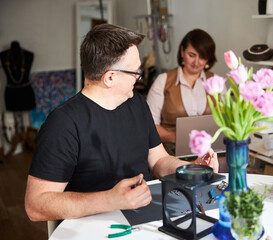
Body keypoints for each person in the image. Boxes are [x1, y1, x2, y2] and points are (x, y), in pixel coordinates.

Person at [24, 24, 218, 222]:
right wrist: (110, 200)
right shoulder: (63, 124)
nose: (139, 77)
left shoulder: (137, 103)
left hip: (143, 219)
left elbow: (159, 161)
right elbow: (36, 205)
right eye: (135, 73)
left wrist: (191, 169)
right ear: (110, 77)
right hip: (92, 228)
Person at [146, 29, 217, 151]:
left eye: (202, 57)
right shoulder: (163, 80)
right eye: (192, 55)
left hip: (210, 152)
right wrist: (177, 138)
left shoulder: (215, 81)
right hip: (171, 152)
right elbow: (149, 125)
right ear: (182, 52)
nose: (196, 62)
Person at [0, 41, 36, 111]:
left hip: (26, 92)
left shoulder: (28, 55)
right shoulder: (3, 56)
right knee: (11, 118)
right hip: (11, 94)